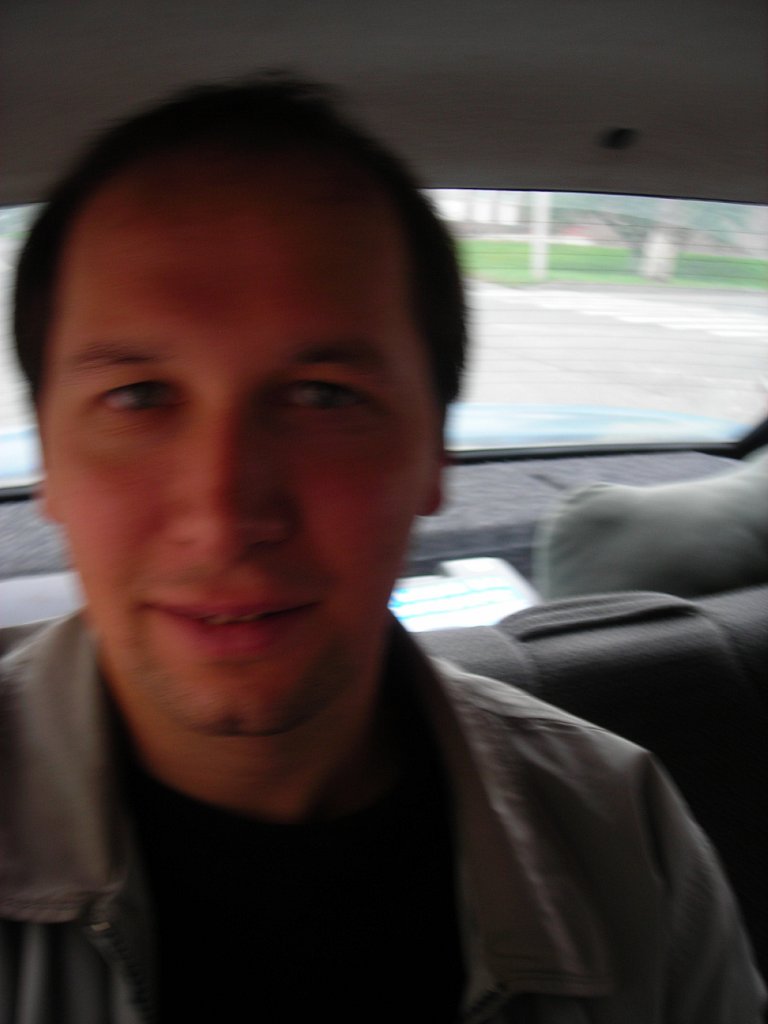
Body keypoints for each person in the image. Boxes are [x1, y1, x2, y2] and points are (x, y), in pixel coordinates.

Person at [1, 78, 763, 1023]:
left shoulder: (624, 841)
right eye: (138, 397)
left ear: (435, 454)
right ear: (49, 459)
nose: (224, 514)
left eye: (324, 396)